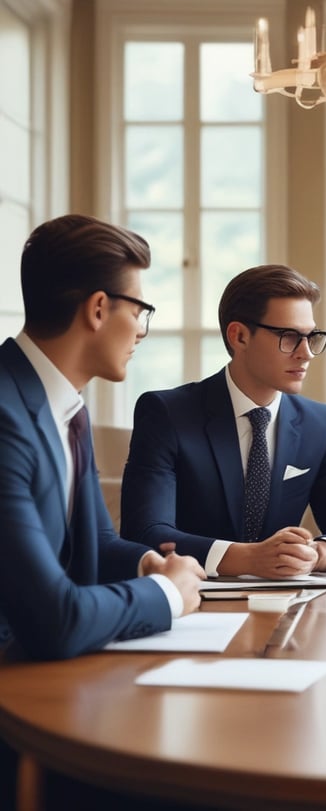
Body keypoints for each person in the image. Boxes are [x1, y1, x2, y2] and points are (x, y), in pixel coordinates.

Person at [0, 214, 205, 808]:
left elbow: (93, 544)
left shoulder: (68, 407)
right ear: (97, 308)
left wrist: (148, 564)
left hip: (52, 677)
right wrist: (167, 597)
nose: (142, 328)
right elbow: (53, 619)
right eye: (139, 309)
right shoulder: (6, 417)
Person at [120, 265, 326, 577]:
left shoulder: (320, 423)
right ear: (240, 336)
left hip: (285, 604)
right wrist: (248, 558)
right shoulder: (166, 413)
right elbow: (146, 532)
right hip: (191, 601)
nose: (306, 353)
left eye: (311, 337)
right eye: (289, 337)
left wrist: (316, 554)